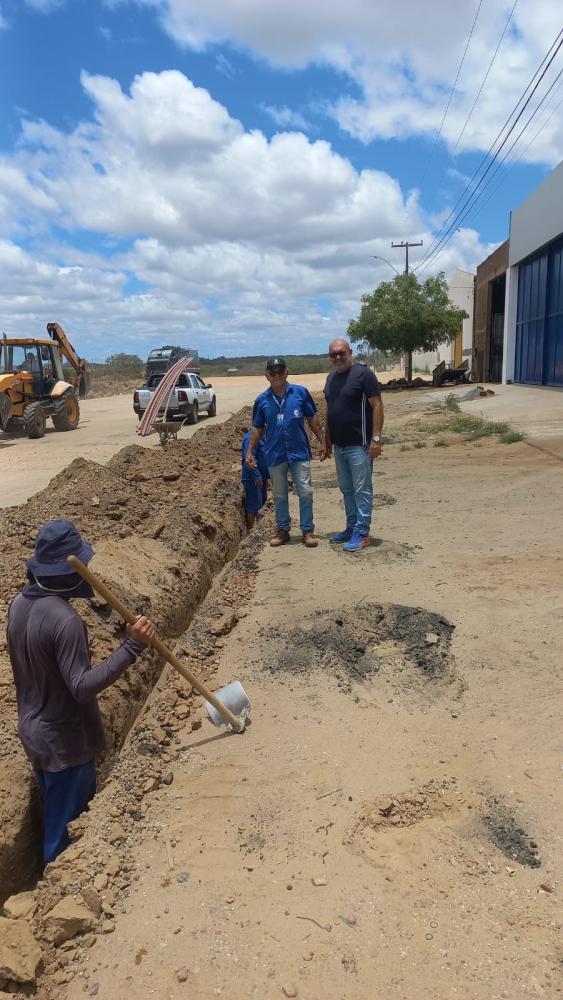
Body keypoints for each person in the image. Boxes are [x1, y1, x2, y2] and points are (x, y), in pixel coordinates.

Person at [6, 519, 155, 866]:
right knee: (65, 841)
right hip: (65, 744)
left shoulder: (17, 606)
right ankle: (55, 897)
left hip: (34, 734)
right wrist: (133, 646)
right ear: (68, 571)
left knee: (57, 816)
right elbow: (81, 687)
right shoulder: (65, 621)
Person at [245, 357, 326, 547]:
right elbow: (257, 429)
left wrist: (323, 440)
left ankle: (307, 530)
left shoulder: (300, 393)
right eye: (273, 373)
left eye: (280, 372)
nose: (277, 376)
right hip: (275, 453)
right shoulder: (262, 400)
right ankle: (283, 530)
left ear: (287, 373)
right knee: (280, 495)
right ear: (267, 376)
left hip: (299, 452)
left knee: (305, 492)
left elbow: (312, 419)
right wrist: (250, 452)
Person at [324, 339, 384, 551]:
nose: (338, 358)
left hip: (360, 446)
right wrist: (327, 439)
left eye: (341, 353)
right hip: (339, 446)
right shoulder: (331, 378)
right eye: (333, 354)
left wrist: (376, 439)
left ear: (350, 353)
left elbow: (377, 405)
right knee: (347, 489)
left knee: (362, 490)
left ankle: (362, 532)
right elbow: (330, 411)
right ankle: (351, 527)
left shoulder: (363, 375)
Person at [241, 425, 269, 529]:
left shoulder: (262, 436)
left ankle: (258, 528)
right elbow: (250, 459)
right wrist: (257, 477)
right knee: (253, 506)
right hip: (252, 478)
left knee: (261, 504)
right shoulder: (250, 438)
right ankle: (251, 531)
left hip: (261, 477)